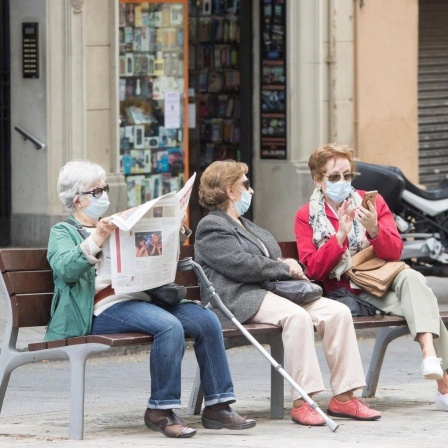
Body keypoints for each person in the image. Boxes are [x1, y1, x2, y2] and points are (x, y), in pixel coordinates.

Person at [44, 160, 256, 439]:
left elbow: (153, 259)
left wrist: (172, 232)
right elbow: (65, 269)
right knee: (169, 326)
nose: (104, 195)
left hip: (142, 298)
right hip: (101, 309)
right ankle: (160, 410)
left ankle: (218, 405)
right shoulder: (64, 232)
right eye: (97, 192)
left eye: (104, 188)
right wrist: (96, 238)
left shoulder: (120, 224)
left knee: (206, 320)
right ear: (77, 200)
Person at [194, 160, 381, 426]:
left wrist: (289, 264)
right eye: (245, 184)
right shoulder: (211, 226)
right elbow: (241, 265)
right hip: (238, 298)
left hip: (270, 292)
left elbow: (271, 257)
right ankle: (304, 402)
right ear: (229, 191)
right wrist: (283, 267)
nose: (251, 191)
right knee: (297, 317)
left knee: (337, 312)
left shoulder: (247, 224)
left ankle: (345, 397)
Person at [295, 143, 448, 412]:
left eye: (347, 176)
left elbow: (395, 251)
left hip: (382, 278)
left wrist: (375, 229)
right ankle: (444, 384)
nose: (342, 183)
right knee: (424, 304)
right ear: (318, 179)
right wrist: (340, 237)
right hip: (348, 291)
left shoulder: (371, 202)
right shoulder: (306, 216)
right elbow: (314, 271)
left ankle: (429, 355)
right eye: (333, 177)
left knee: (412, 279)